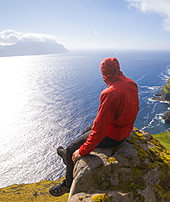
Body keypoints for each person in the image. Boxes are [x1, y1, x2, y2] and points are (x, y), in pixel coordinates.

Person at [49, 57, 139, 197]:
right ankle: (68, 157)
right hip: (124, 130)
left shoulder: (110, 93)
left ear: (105, 73)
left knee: (72, 148)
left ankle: (67, 183)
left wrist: (83, 150)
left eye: (103, 73)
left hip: (114, 136)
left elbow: (100, 130)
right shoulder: (131, 84)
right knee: (88, 129)